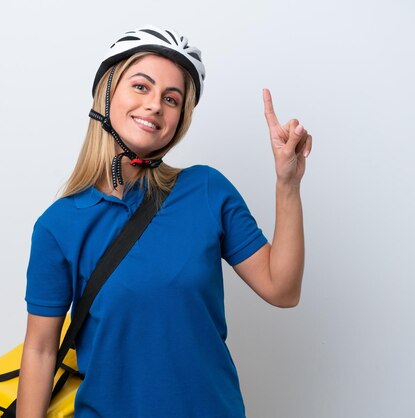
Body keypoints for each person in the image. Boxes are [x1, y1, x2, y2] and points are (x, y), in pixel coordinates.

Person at [16, 25, 312, 418]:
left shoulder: (206, 190)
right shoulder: (59, 225)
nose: (155, 105)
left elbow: (283, 289)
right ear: (106, 95)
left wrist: (287, 183)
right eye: (141, 86)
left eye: (171, 99)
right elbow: (39, 351)